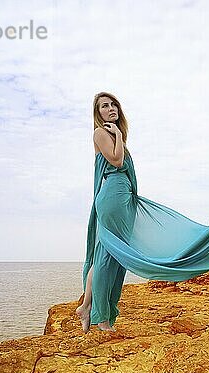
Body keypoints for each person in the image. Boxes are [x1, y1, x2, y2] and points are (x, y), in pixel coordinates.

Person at [75, 92, 137, 332]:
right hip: (112, 197)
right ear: (97, 113)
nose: (111, 108)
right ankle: (102, 318)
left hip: (120, 198)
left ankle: (87, 306)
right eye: (104, 106)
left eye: (113, 105)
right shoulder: (101, 133)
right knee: (106, 255)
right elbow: (117, 161)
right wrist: (119, 136)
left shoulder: (111, 136)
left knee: (108, 253)